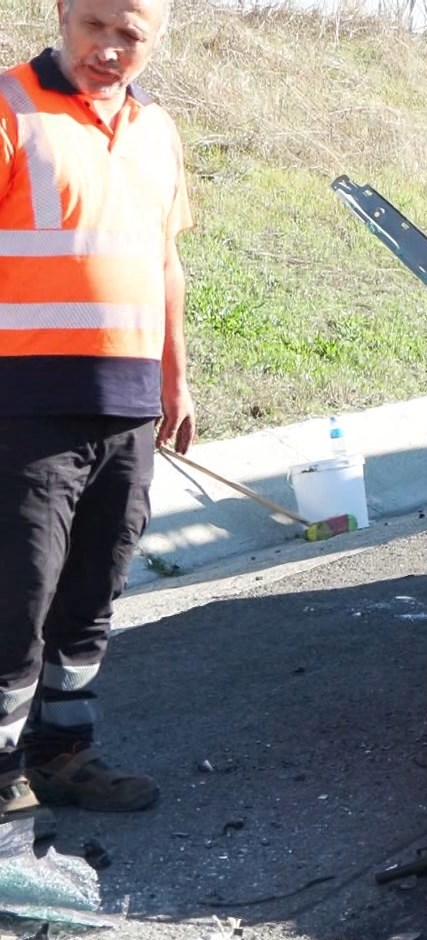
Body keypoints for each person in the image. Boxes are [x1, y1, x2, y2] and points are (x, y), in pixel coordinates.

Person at [0, 0, 192, 822]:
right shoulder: (10, 109)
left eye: (130, 35)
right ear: (60, 15)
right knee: (18, 594)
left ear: (155, 40)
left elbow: (165, 261)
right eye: (94, 26)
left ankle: (64, 756)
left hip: (126, 407)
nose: (108, 49)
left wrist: (176, 382)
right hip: (25, 404)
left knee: (92, 592)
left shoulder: (157, 132)